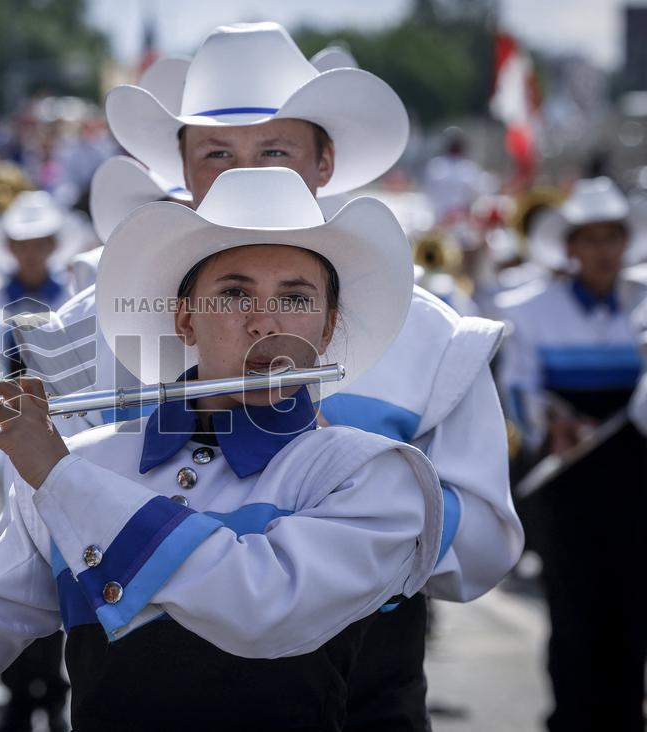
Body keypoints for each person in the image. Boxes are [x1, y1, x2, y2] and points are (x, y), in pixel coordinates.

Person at [0, 167, 442, 731]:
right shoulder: (85, 463)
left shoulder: (368, 474)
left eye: (296, 298)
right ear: (184, 317)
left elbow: (263, 608)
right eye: (233, 293)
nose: (264, 321)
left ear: (328, 326)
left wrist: (58, 475)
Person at [53, 24, 521, 729]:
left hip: (360, 692)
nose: (245, 176)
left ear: (325, 162)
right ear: (179, 168)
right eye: (217, 154)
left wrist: (357, 504)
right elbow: (45, 533)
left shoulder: (429, 334)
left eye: (274, 152)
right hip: (135, 686)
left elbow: (485, 545)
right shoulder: (85, 329)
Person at [496, 177, 647, 731]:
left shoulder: (644, 300)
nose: (604, 250)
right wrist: (552, 421)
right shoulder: (533, 309)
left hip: (635, 481)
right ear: (572, 247)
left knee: (632, 612)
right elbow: (519, 388)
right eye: (592, 238)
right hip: (568, 482)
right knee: (575, 611)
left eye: (614, 237)